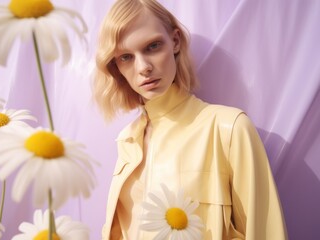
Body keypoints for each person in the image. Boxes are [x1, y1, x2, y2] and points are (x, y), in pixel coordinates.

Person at [93, 0, 288, 239]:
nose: (143, 67)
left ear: (174, 41)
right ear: (116, 66)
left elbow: (266, 233)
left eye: (153, 46)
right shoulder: (127, 141)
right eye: (126, 57)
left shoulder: (228, 128)